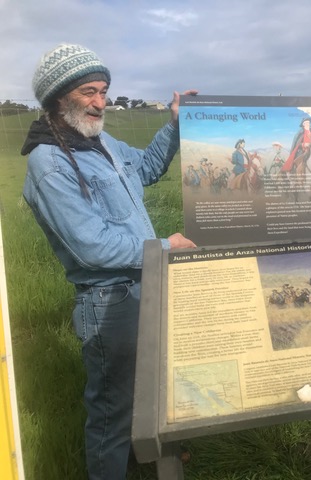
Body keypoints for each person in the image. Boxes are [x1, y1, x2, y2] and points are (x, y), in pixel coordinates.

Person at [21, 43, 197, 480]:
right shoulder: (50, 163)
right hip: (110, 302)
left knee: (149, 392)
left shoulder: (101, 142)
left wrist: (173, 126)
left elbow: (149, 167)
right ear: (58, 97)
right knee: (112, 413)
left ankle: (148, 460)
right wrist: (166, 246)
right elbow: (92, 247)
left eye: (103, 90)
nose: (100, 102)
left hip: (146, 285)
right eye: (88, 92)